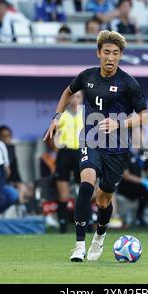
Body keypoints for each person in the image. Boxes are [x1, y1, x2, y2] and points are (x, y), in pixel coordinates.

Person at [44, 30, 148, 262]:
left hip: (117, 148)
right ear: (98, 53)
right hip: (90, 140)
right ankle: (79, 245)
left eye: (115, 53)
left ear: (120, 56)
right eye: (106, 52)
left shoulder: (128, 83)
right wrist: (56, 117)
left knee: (104, 200)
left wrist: (119, 122)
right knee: (85, 185)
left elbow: (145, 116)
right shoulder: (87, 76)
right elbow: (67, 92)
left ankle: (99, 237)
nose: (110, 57)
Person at [53, 91, 84, 233]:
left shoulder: (87, 115)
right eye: (72, 96)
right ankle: (63, 223)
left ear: (82, 99)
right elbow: (51, 134)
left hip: (81, 152)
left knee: (84, 190)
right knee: (63, 193)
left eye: (78, 97)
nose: (74, 100)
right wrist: (56, 147)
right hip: (65, 153)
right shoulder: (62, 115)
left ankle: (86, 222)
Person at [0, 125, 35, 207]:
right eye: (3, 136)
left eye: (8, 136)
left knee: (28, 189)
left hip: (12, 179)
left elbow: (14, 168)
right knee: (16, 192)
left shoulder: (11, 148)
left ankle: (21, 210)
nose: (6, 139)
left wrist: (18, 182)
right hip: (0, 181)